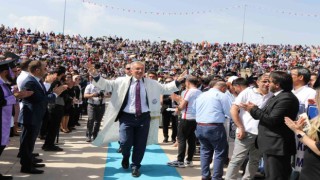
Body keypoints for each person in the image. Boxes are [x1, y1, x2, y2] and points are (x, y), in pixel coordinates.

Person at [88, 61, 185, 177]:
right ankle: (125, 156)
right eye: (137, 69)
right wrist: (95, 75)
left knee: (140, 144)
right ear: (132, 70)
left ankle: (135, 165)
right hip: (126, 117)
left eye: (142, 69)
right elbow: (106, 85)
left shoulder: (151, 83)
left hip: (143, 117)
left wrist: (178, 80)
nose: (139, 71)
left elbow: (165, 88)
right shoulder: (121, 81)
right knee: (125, 142)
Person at [240, 71, 299, 180]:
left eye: (270, 82)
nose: (267, 84)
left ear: (277, 85)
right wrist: (254, 109)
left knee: (276, 176)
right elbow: (266, 115)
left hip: (277, 146)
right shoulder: (277, 96)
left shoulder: (286, 98)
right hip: (271, 145)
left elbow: (272, 120)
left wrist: (253, 109)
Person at [19, 61, 65, 174]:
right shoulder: (30, 82)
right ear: (37, 70)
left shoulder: (36, 80)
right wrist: (55, 94)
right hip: (30, 116)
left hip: (35, 116)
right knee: (27, 143)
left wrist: (53, 92)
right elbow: (40, 99)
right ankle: (26, 166)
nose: (46, 71)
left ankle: (30, 161)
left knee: (30, 142)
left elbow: (42, 96)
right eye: (44, 68)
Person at [225, 75, 273, 180]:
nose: (267, 84)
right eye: (264, 81)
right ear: (258, 82)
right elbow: (233, 110)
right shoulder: (248, 92)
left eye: (269, 81)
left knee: (255, 160)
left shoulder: (272, 95)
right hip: (246, 132)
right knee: (237, 159)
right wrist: (240, 127)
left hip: (261, 134)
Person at [0, 59, 33, 180]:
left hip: (5, 119)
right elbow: (2, 101)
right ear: (4, 72)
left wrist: (17, 96)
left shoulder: (4, 84)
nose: (13, 75)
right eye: (10, 72)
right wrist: (14, 96)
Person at [194, 80, 232, 180]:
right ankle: (216, 177)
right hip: (214, 126)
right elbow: (229, 112)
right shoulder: (222, 95)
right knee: (219, 152)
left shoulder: (201, 95)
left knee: (205, 151)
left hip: (200, 125)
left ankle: (205, 175)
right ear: (223, 88)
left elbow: (194, 109)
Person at [284, 88, 320, 179]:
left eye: (316, 98)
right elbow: (307, 141)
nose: (314, 101)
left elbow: (318, 149)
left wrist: (298, 131)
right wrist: (300, 130)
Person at [167, 75, 202, 168]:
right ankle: (189, 160)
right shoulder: (200, 92)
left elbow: (182, 106)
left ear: (188, 82)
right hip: (196, 118)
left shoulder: (189, 92)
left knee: (181, 139)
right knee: (191, 140)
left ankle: (180, 160)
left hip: (186, 117)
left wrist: (177, 100)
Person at [160, 77, 178, 143]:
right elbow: (161, 101)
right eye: (167, 81)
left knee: (175, 125)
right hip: (166, 109)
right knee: (165, 124)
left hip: (175, 109)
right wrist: (169, 98)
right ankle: (165, 137)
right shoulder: (163, 90)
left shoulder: (177, 89)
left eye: (170, 81)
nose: (168, 83)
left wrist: (175, 98)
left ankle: (173, 138)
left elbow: (181, 99)